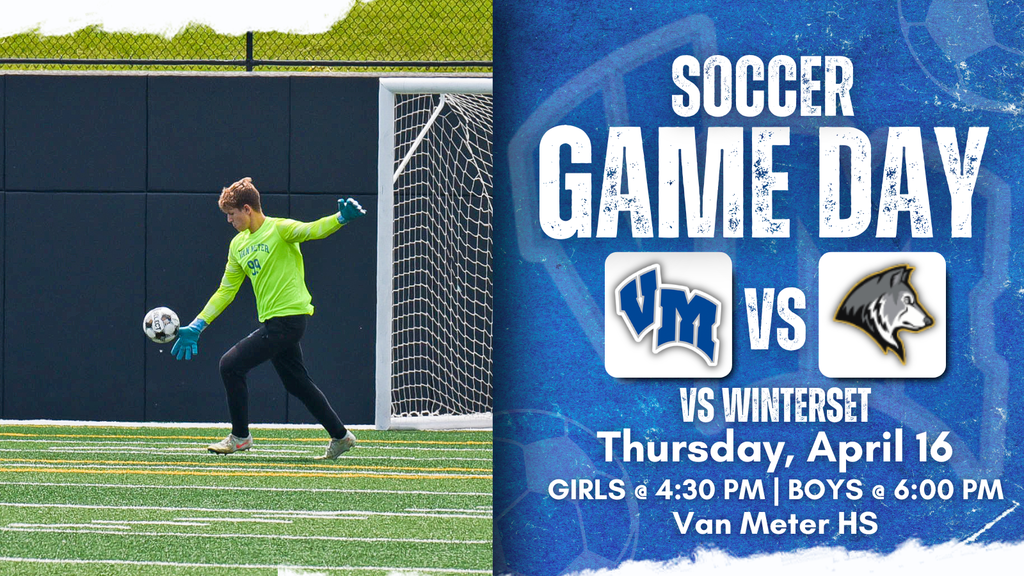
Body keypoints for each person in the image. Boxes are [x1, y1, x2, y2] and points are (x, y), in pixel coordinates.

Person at [172, 177, 366, 459]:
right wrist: (198, 325)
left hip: (288, 321)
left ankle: (240, 437)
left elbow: (313, 230)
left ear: (247, 209)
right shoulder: (238, 245)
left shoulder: (280, 229)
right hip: (276, 324)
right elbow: (226, 291)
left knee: (230, 365)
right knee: (296, 382)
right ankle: (340, 436)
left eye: (231, 214)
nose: (229, 220)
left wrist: (340, 218)